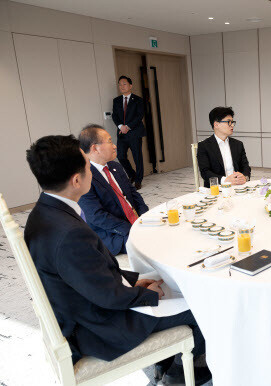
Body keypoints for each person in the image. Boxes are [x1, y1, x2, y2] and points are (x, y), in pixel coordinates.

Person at [24, 135, 210, 385]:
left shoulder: (43, 213)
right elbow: (107, 297)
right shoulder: (69, 233)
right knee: (200, 308)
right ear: (76, 180)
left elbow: (92, 274)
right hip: (98, 326)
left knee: (161, 283)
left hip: (82, 308)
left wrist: (138, 281)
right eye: (89, 167)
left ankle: (164, 362)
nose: (92, 170)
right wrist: (148, 294)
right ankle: (176, 376)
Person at [78, 124, 148, 256]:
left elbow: (133, 194)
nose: (115, 145)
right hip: (114, 234)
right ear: (95, 148)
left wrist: (145, 217)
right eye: (110, 141)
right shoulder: (84, 177)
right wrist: (132, 229)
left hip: (135, 222)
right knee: (150, 244)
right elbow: (97, 216)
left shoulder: (115, 166)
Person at [196, 106, 251, 188]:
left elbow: (245, 166)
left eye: (233, 122)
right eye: (228, 122)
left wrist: (245, 177)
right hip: (216, 189)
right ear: (216, 124)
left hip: (238, 187)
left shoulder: (238, 144)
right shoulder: (204, 146)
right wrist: (225, 180)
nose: (232, 125)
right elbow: (205, 172)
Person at [112, 75, 145, 190]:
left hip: (134, 132)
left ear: (130, 85)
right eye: (120, 84)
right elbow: (114, 115)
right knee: (120, 156)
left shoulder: (138, 100)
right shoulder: (116, 101)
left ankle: (138, 180)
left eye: (124, 84)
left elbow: (139, 116)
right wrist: (121, 126)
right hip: (122, 133)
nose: (122, 86)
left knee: (137, 157)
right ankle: (132, 174)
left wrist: (128, 127)